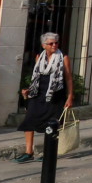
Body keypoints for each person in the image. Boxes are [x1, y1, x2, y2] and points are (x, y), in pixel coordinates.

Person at [14, 33, 74, 163]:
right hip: (38, 94)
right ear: (43, 45)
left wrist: (70, 97)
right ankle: (28, 151)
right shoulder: (39, 57)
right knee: (29, 120)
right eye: (51, 43)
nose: (54, 45)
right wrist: (29, 90)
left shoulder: (63, 58)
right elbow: (37, 77)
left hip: (55, 95)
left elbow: (68, 78)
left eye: (56, 43)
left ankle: (49, 152)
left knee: (52, 124)